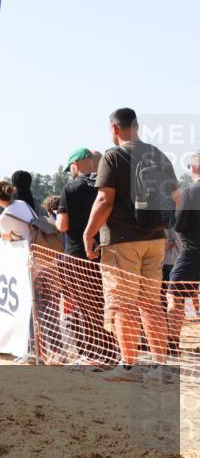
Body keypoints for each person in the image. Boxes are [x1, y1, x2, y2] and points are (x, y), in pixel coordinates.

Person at [83, 108, 181, 378]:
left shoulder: (112, 156)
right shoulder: (158, 155)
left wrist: (89, 233)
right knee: (151, 303)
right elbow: (177, 198)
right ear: (136, 126)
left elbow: (104, 200)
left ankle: (128, 365)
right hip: (155, 239)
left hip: (121, 241)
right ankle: (160, 366)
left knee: (123, 304)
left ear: (114, 129)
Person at [56, 147, 118, 364]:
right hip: (108, 251)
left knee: (85, 306)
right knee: (108, 303)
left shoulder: (71, 187)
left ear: (75, 165)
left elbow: (62, 225)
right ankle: (113, 351)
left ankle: (94, 354)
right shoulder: (108, 185)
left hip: (79, 255)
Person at [168, 151, 200, 353]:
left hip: (192, 253)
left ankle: (172, 343)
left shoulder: (189, 193)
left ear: (194, 168)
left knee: (174, 295)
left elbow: (179, 225)